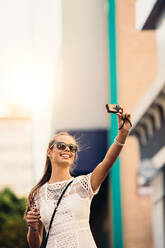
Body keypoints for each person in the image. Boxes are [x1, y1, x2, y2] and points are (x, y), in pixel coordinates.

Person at [24, 107, 131, 248]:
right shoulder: (37, 194)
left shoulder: (83, 184)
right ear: (49, 152)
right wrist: (33, 227)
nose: (67, 149)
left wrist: (123, 134)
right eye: (61, 146)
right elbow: (35, 245)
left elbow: (107, 163)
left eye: (72, 148)